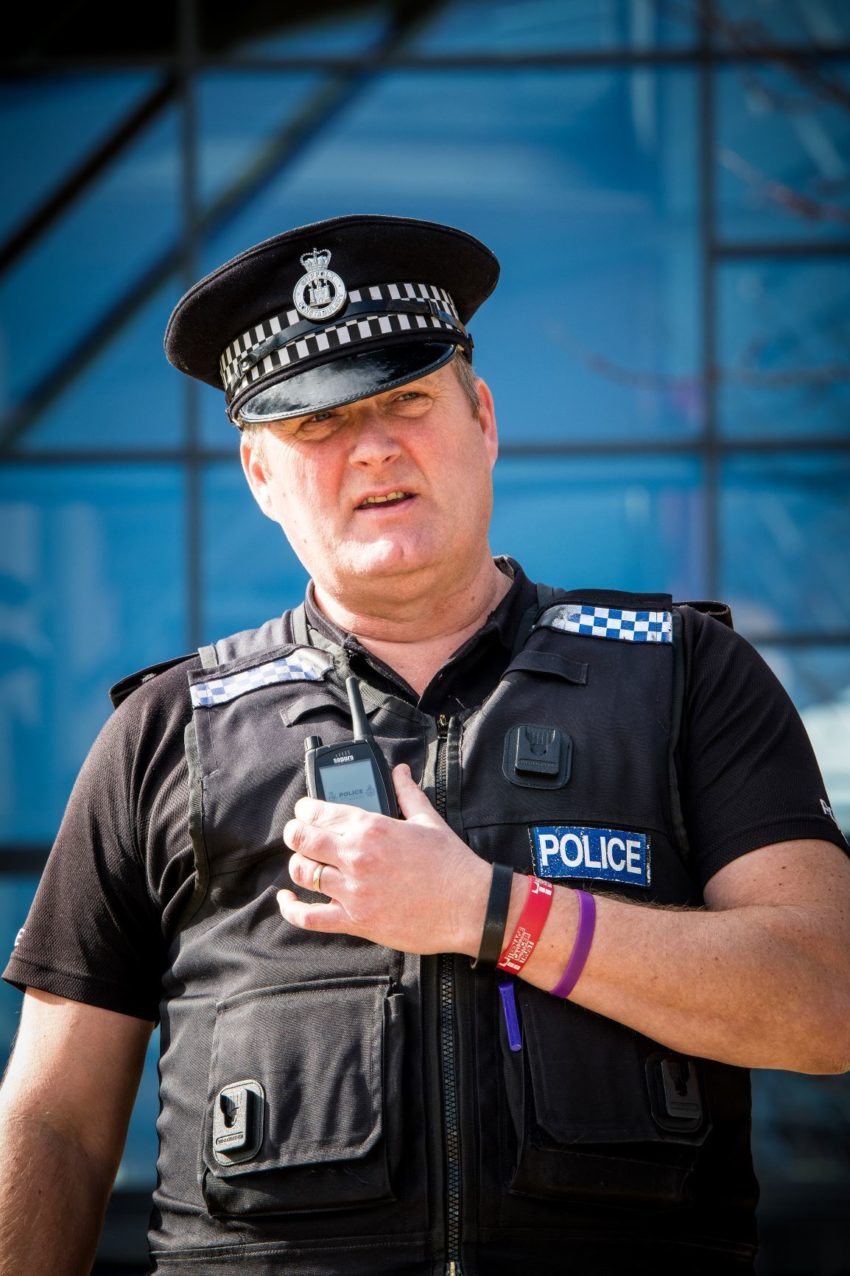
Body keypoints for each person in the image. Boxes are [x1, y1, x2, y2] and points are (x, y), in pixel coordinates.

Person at [1, 214, 848, 1276]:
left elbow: (830, 998)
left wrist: (491, 913)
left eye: (406, 398)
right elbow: (56, 1123)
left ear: (481, 416)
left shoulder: (684, 678)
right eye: (317, 426)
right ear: (260, 476)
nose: (374, 446)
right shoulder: (165, 733)